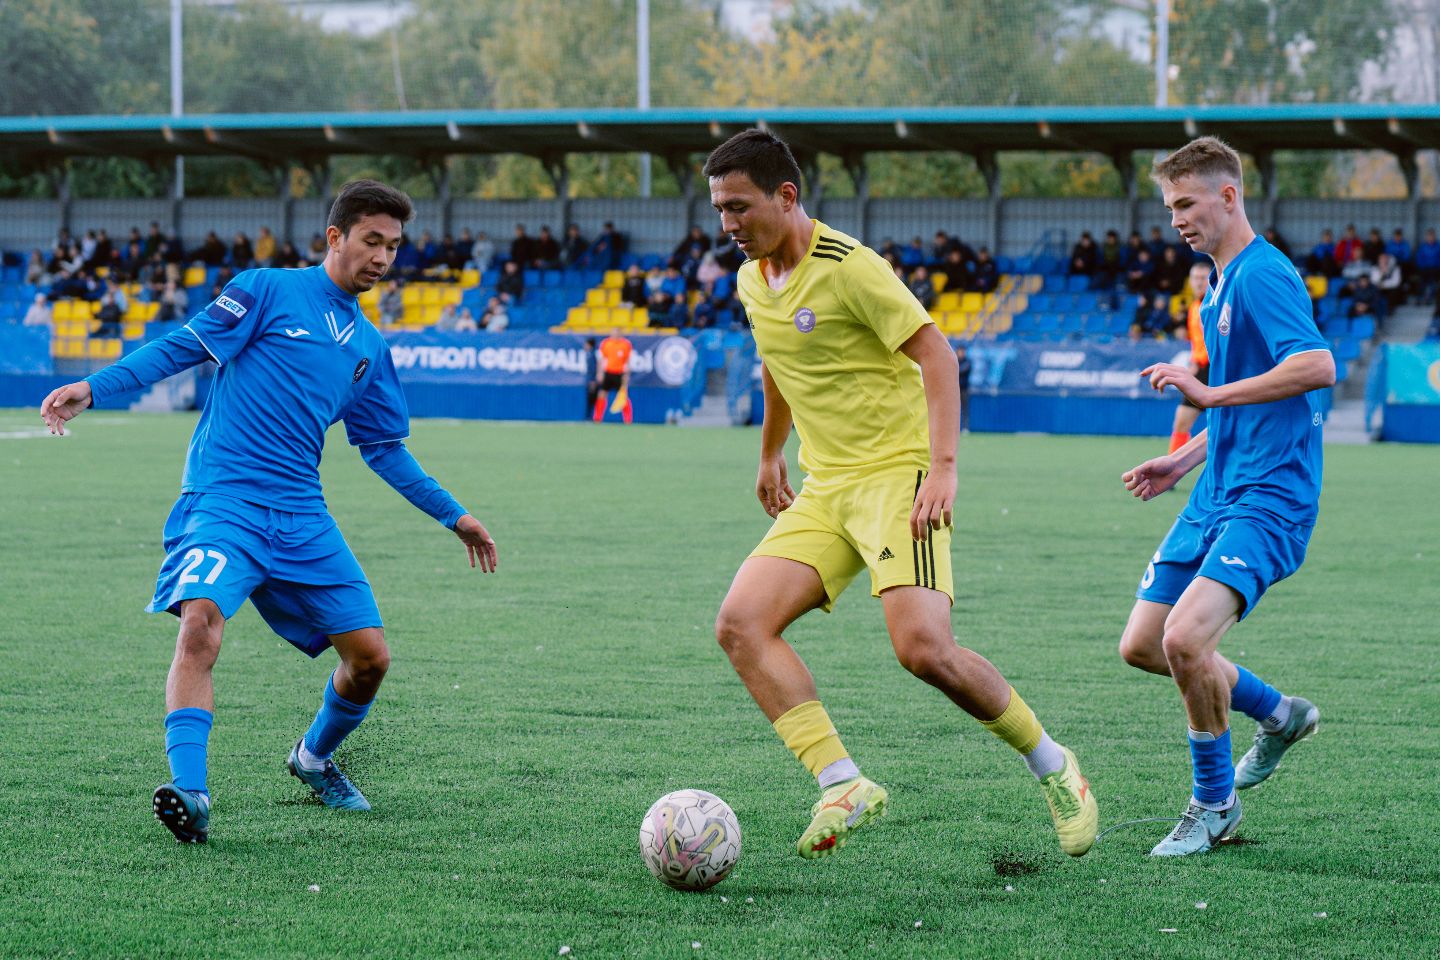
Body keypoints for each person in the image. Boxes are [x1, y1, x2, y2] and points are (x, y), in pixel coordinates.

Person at [38, 179, 498, 844]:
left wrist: (455, 516)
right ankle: (191, 793)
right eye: (372, 241)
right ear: (335, 236)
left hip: (302, 515)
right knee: (200, 623)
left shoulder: (369, 348)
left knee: (370, 660)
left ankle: (312, 758)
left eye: (394, 247)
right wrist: (93, 386)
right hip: (225, 500)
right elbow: (184, 345)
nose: (383, 258)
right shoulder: (266, 290)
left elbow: (384, 450)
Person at [704, 128, 1097, 862]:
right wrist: (769, 453)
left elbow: (937, 354)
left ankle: (1054, 765)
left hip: (896, 476)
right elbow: (777, 364)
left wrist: (943, 467)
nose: (727, 223)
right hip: (827, 486)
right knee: (741, 625)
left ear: (786, 196)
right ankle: (842, 783)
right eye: (720, 209)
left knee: (923, 650)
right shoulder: (752, 279)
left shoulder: (851, 267)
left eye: (738, 207)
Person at [1119, 137, 1334, 857]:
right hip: (1215, 491)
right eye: (1170, 207)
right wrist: (1183, 460)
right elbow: (1247, 406)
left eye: (1186, 203)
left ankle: (1213, 805)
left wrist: (1208, 393)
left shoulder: (1263, 274)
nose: (1177, 219)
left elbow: (1317, 365)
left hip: (1269, 498)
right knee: (1144, 644)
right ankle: (1279, 713)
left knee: (1185, 640)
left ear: (1229, 196)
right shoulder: (1217, 286)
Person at [1168, 261, 1214, 453]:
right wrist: (1194, 361)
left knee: (1224, 423)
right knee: (1182, 420)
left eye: (1203, 278)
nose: (1199, 282)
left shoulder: (1215, 305)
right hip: (1202, 368)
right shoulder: (1195, 306)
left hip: (1215, 368)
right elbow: (1197, 341)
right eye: (1195, 278)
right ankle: (1173, 464)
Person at [593, 328, 633, 424]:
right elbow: (601, 359)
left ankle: (628, 420)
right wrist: (600, 373)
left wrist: (627, 375)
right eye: (613, 333)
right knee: (602, 394)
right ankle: (597, 418)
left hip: (620, 374)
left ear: (620, 334)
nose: (615, 335)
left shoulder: (625, 344)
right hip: (608, 373)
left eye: (617, 333)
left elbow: (628, 361)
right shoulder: (606, 343)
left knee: (623, 397)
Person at [954, 343, 972, 434]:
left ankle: (965, 428)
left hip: (964, 389)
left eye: (962, 351)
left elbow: (960, 371)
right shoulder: (954, 360)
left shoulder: (967, 362)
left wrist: (954, 370)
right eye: (959, 351)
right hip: (955, 389)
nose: (961, 353)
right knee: (953, 410)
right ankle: (953, 428)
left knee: (965, 409)